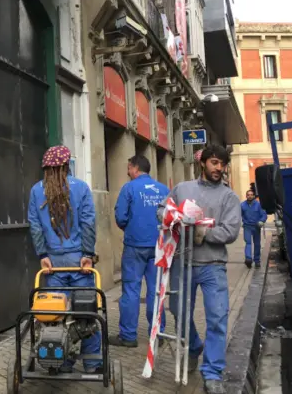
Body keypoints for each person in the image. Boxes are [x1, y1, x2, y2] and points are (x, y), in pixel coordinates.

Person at [158, 144, 241, 394]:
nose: (219, 168)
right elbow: (161, 210)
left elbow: (231, 230)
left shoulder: (229, 197)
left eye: (222, 164)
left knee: (217, 318)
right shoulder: (183, 189)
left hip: (213, 266)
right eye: (214, 162)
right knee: (178, 312)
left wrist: (203, 232)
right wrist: (173, 217)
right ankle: (194, 347)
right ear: (203, 163)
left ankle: (212, 373)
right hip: (182, 263)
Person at [27, 145, 101, 374]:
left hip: (54, 265)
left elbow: (36, 226)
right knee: (86, 313)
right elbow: (88, 222)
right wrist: (88, 255)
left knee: (56, 315)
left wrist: (43, 256)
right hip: (79, 261)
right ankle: (92, 363)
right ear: (67, 165)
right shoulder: (81, 188)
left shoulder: (36, 191)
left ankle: (62, 361)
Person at [109, 155, 168, 348]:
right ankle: (158, 333)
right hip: (159, 246)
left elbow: (120, 217)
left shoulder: (129, 188)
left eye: (128, 168)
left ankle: (128, 336)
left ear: (135, 168)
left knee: (131, 290)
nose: (127, 172)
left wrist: (132, 227)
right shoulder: (163, 190)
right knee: (156, 290)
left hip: (135, 246)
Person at [241, 189, 267, 269]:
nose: (250, 196)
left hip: (256, 226)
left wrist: (261, 221)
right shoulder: (242, 205)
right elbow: (238, 214)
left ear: (254, 196)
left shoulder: (259, 205)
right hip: (247, 226)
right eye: (248, 194)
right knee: (248, 242)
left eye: (251, 194)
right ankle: (248, 259)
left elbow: (263, 214)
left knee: (257, 244)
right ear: (246, 196)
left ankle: (257, 261)